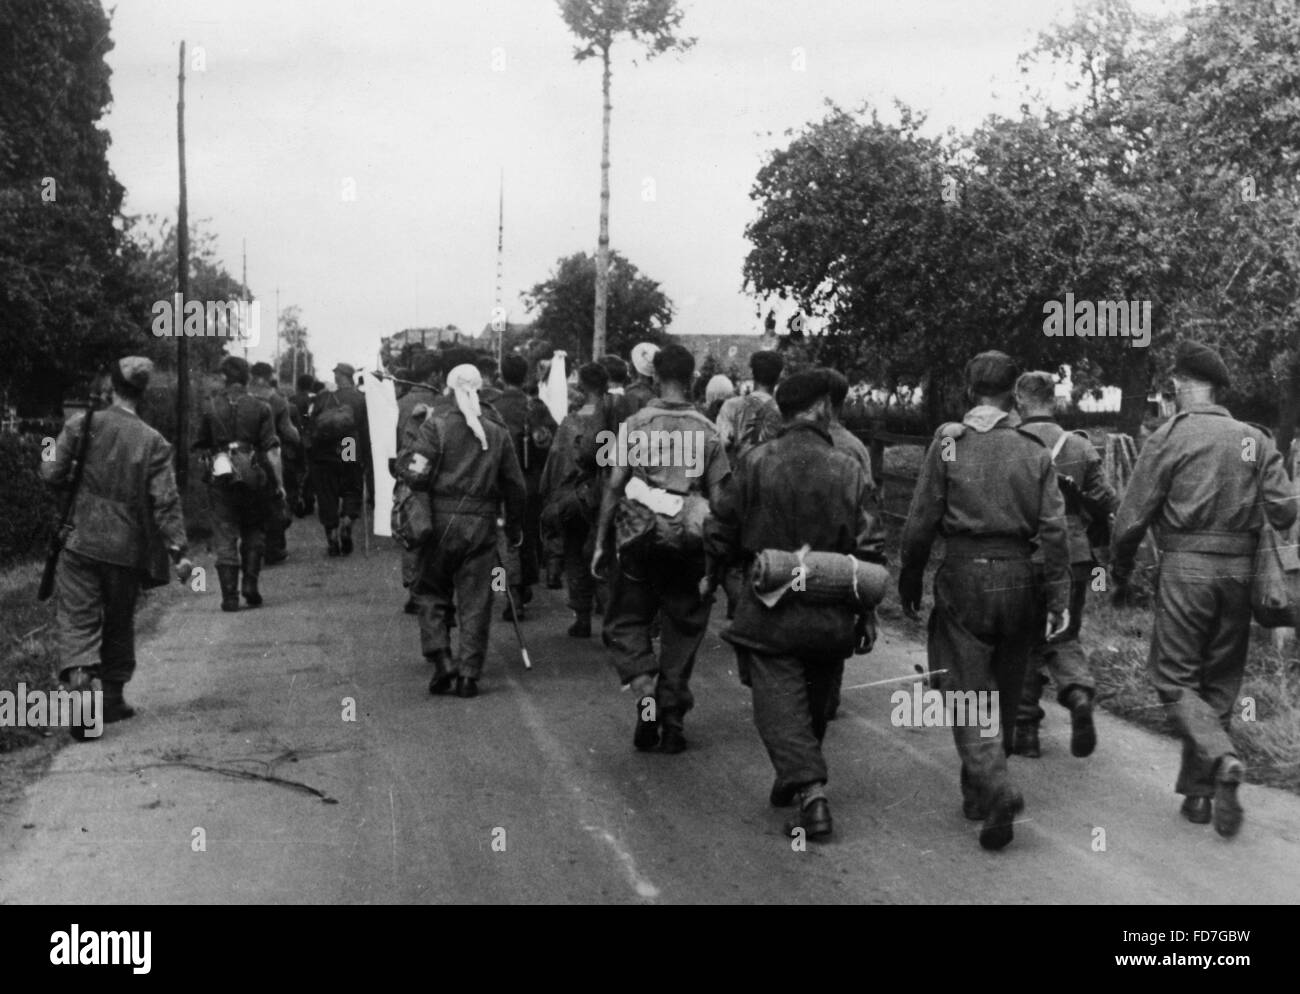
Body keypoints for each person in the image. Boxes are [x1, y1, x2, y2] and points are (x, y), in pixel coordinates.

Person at [1112, 341, 1296, 838]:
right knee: (1218, 680)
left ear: (1177, 384)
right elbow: (1284, 511)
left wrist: (1120, 572)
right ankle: (1199, 797)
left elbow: (1131, 519)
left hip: (1185, 570)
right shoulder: (1254, 439)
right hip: (1239, 576)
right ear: (1217, 387)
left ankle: (1221, 758)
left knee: (1173, 678)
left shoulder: (1170, 437)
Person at [898, 351, 1070, 851]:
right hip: (1021, 577)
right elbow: (1055, 530)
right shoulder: (1034, 450)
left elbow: (921, 516)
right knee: (1007, 685)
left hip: (966, 576)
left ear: (969, 388)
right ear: (1014, 391)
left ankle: (994, 787)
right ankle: (980, 790)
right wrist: (1058, 594)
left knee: (966, 689)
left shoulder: (949, 445)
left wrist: (910, 574)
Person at [706, 371, 884, 839]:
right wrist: (867, 611)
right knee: (817, 700)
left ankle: (810, 792)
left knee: (778, 703)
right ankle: (796, 777)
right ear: (823, 408)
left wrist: (714, 574)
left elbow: (722, 526)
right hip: (831, 609)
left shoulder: (755, 461)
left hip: (770, 607)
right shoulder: (849, 466)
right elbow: (869, 548)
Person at [42, 358, 192, 734]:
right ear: (143, 392)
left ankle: (78, 676)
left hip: (80, 539)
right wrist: (179, 550)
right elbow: (166, 501)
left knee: (78, 618)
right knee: (120, 620)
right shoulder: (154, 441)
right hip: (127, 548)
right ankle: (111, 699)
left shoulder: (82, 424)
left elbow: (50, 471)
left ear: (111, 385)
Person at [593, 344, 730, 754]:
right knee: (683, 628)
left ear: (654, 378)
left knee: (625, 622)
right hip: (688, 546)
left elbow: (615, 487)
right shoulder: (708, 432)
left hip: (639, 541)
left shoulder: (635, 425)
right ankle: (672, 721)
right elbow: (721, 503)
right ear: (693, 382)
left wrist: (601, 541)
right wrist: (716, 560)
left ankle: (646, 692)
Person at [400, 363, 526, 698]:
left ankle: (443, 659)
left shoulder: (435, 427)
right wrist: (513, 527)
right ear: (480, 390)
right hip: (481, 525)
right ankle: (470, 673)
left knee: (429, 591)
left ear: (450, 389)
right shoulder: (497, 433)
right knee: (476, 600)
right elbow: (515, 486)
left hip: (439, 521)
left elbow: (415, 473)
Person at [1012, 371, 1119, 760]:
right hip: (1074, 555)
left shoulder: (1010, 442)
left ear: (1020, 401)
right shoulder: (1078, 445)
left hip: (1023, 552)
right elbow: (1108, 502)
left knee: (1023, 638)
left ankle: (1025, 731)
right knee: (1064, 635)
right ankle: (1076, 695)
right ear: (1054, 402)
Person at [194, 355, 283, 611]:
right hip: (253, 475)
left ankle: (230, 595)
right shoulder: (261, 407)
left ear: (225, 377)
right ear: (246, 378)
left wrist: (208, 472)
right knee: (254, 528)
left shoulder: (210, 407)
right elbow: (272, 450)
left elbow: (201, 447)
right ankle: (250, 585)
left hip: (220, 475)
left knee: (225, 531)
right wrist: (279, 483)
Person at [820, 368, 878, 722]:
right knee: (839, 614)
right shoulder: (855, 447)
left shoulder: (792, 441)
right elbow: (867, 511)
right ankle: (827, 692)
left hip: (800, 547)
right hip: (843, 550)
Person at [540, 362, 610, 637]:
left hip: (575, 498)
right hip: (605, 496)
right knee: (603, 554)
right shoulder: (612, 418)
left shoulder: (571, 422)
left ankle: (582, 616)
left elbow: (557, 462)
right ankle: (608, 615)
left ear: (581, 386)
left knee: (574, 552)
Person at [495, 353, 557, 619]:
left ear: (501, 374)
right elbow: (550, 443)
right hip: (530, 483)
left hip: (498, 484)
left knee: (504, 541)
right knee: (528, 536)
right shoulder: (536, 407)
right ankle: (523, 586)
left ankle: (512, 592)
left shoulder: (491, 406)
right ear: (525, 376)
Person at [395, 351, 445, 613]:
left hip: (408, 477)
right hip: (436, 476)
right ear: (435, 375)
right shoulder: (442, 402)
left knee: (412, 533)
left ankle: (413, 589)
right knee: (433, 534)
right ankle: (431, 586)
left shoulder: (400, 403)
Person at [309, 363, 369, 557]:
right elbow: (364, 429)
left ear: (337, 376)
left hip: (324, 449)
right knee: (352, 485)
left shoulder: (322, 397)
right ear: (351, 377)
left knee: (326, 492)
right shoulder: (359, 398)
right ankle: (347, 521)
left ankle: (332, 536)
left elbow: (311, 424)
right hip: (348, 444)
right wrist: (365, 457)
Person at [249, 361, 301, 565]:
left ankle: (252, 547)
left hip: (240, 457)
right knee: (276, 501)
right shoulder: (278, 400)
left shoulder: (241, 397)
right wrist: (297, 435)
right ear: (270, 376)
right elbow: (289, 433)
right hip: (269, 456)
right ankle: (275, 548)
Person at [715, 350, 783, 461]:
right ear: (779, 376)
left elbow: (720, 445)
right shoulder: (782, 411)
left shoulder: (731, 406)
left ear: (752, 373)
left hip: (738, 474)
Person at [626, 342, 660, 413]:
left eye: (631, 360)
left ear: (634, 366)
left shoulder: (631, 394)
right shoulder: (657, 393)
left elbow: (623, 423)